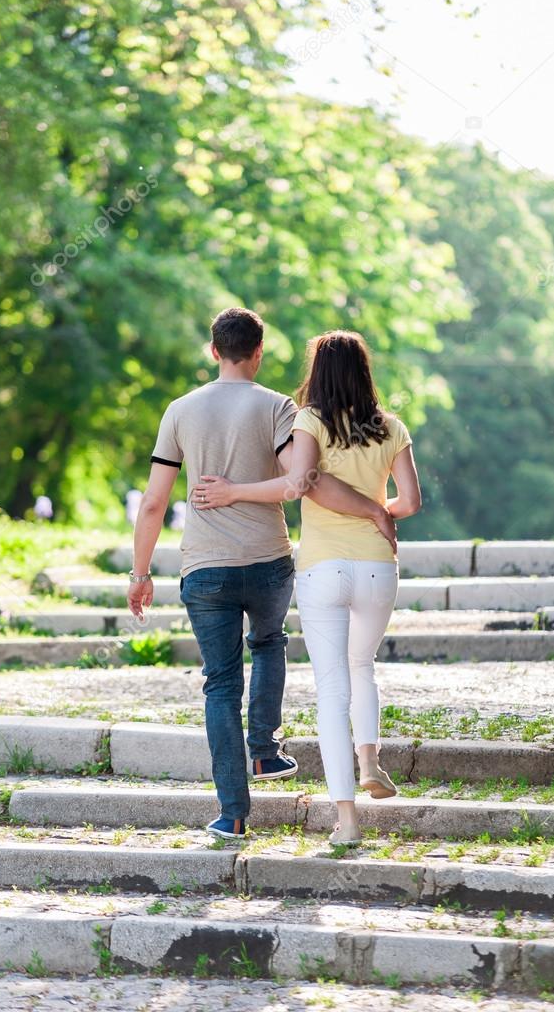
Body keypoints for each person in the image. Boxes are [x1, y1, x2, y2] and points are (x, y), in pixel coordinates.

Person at [127, 310, 397, 840]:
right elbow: (299, 482)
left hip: (205, 567)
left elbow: (155, 503)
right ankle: (264, 752)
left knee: (220, 685)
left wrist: (141, 572)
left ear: (213, 351)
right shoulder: (279, 407)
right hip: (270, 560)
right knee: (270, 642)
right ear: (259, 352)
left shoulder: (179, 411)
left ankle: (232, 813)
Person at [194, 330, 421, 846]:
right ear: (364, 372)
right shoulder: (393, 427)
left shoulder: (309, 420)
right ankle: (371, 762)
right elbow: (409, 501)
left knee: (331, 688)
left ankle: (347, 822)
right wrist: (377, 512)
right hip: (377, 565)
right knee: (363, 667)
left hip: (323, 568)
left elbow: (299, 484)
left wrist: (232, 492)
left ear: (317, 372)